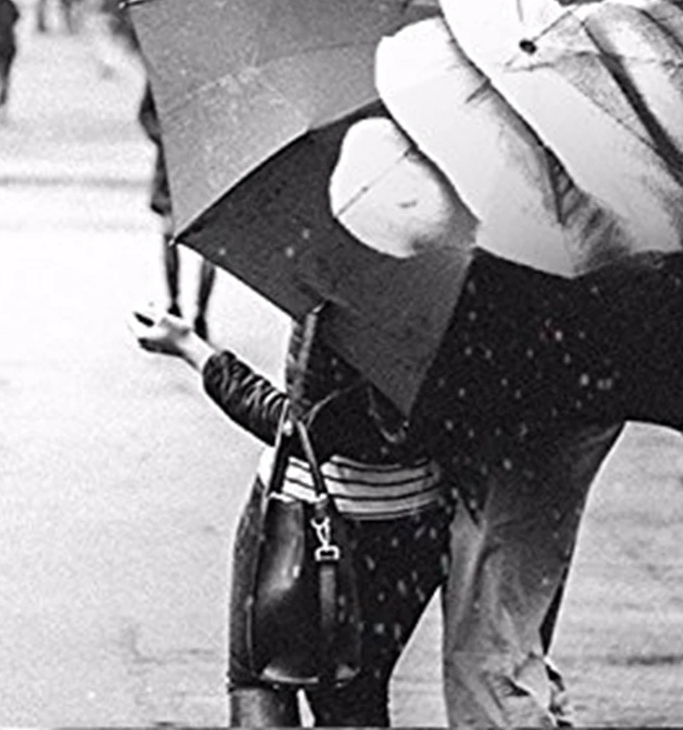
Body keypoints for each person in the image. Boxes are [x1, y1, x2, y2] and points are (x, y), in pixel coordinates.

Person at [131, 302, 451, 727]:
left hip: (302, 516)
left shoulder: (345, 284)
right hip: (410, 526)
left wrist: (192, 348)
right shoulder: (469, 297)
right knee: (356, 698)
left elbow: (298, 431)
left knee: (262, 682)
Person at [137, 81, 218, 339]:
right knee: (170, 235)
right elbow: (145, 114)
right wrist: (167, 137)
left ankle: (201, 313)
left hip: (210, 167)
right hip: (172, 169)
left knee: (214, 247)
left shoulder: (222, 67)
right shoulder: (165, 67)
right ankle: (174, 305)